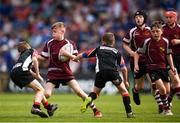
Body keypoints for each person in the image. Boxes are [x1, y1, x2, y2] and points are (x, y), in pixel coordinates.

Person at [38, 22, 102, 118]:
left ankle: (96, 110)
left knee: (79, 92)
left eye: (55, 32)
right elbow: (43, 57)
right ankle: (41, 106)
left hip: (65, 72)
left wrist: (65, 53)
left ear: (62, 31)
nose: (52, 34)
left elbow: (76, 59)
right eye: (52, 32)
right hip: (53, 72)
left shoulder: (70, 44)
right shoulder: (49, 43)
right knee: (46, 94)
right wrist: (34, 56)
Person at [73, 32, 135, 118]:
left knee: (95, 93)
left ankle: (89, 99)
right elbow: (124, 68)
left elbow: (84, 54)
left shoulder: (99, 49)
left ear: (103, 41)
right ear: (113, 42)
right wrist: (126, 81)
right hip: (113, 73)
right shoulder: (117, 52)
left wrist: (75, 58)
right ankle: (129, 113)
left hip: (101, 73)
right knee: (124, 92)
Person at [134, 21, 175, 115]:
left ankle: (164, 104)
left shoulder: (166, 41)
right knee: (162, 89)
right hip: (152, 68)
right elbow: (137, 53)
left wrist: (172, 67)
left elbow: (168, 55)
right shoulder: (147, 42)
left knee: (167, 90)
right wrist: (136, 65)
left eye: (157, 31)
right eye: (153, 31)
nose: (155, 33)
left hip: (163, 68)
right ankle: (167, 109)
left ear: (162, 31)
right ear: (150, 32)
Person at [10, 41, 57, 118]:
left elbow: (28, 69)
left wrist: (35, 75)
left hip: (13, 74)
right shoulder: (32, 50)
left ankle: (49, 107)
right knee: (40, 90)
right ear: (27, 46)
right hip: (22, 72)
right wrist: (38, 74)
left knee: (38, 89)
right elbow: (35, 60)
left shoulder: (22, 55)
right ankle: (36, 107)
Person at [123, 10, 155, 106]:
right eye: (136, 17)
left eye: (140, 17)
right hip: (136, 62)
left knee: (154, 84)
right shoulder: (132, 31)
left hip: (149, 61)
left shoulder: (151, 30)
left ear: (144, 18)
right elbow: (125, 44)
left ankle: (162, 105)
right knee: (140, 86)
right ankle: (135, 91)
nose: (138, 19)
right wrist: (131, 52)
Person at [163, 8, 180, 104]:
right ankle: (167, 104)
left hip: (179, 58)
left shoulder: (179, 29)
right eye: (167, 17)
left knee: (175, 83)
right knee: (176, 81)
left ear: (175, 18)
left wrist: (178, 41)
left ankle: (167, 102)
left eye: (170, 17)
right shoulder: (162, 29)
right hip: (168, 58)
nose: (168, 19)